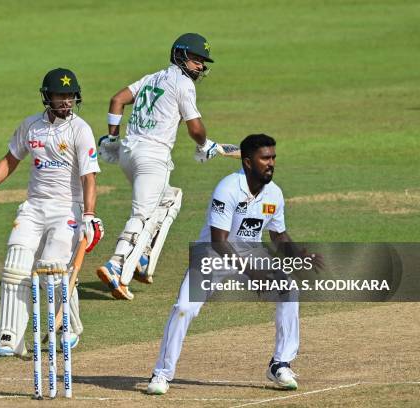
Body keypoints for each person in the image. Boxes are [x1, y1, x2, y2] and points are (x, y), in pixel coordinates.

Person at [147, 134, 316, 394]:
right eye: (265, 158)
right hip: (212, 256)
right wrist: (254, 274)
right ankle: (161, 373)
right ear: (248, 162)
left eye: (273, 157)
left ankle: (280, 364)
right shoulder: (228, 188)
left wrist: (298, 254)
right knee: (183, 308)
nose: (271, 163)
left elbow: (277, 234)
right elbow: (219, 242)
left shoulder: (274, 194)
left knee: (288, 288)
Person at [0, 68, 104, 357]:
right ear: (47, 97)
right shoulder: (31, 127)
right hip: (34, 206)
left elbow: (89, 177)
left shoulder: (81, 130)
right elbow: (11, 159)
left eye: (70, 96)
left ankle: (67, 327)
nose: (66, 101)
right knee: (15, 265)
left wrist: (89, 216)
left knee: (53, 269)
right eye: (60, 96)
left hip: (68, 208)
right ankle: (10, 336)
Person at [96, 33, 231, 300]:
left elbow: (117, 100)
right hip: (152, 157)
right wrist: (205, 145)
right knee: (143, 214)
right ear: (180, 55)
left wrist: (111, 138)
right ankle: (116, 265)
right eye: (196, 60)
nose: (201, 66)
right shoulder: (183, 84)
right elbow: (195, 128)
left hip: (128, 153)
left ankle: (143, 257)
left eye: (203, 62)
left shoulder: (151, 78)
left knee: (170, 198)